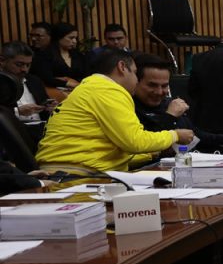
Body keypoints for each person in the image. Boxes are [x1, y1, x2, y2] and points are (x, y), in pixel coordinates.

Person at [34, 49, 191, 172]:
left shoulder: (91, 87)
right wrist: (175, 135)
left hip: (69, 173)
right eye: (135, 73)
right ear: (122, 67)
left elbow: (113, 153)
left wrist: (153, 153)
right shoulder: (108, 90)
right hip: (77, 177)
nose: (136, 80)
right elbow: (134, 142)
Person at [133, 55, 223, 153]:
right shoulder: (128, 108)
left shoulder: (168, 103)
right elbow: (146, 143)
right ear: (135, 82)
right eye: (152, 85)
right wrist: (170, 117)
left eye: (164, 86)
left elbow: (195, 135)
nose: (159, 92)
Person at [2, 41, 51, 138]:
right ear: (2, 61)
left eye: (28, 65)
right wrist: (18, 111)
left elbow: (44, 106)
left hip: (42, 129)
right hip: (12, 134)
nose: (24, 69)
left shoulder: (34, 80)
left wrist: (50, 107)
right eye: (19, 64)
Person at [32, 22, 86, 91]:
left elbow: (86, 74)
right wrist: (67, 83)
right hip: (56, 93)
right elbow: (45, 78)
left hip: (79, 90)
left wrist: (75, 82)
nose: (75, 41)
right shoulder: (45, 55)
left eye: (75, 38)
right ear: (59, 37)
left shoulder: (79, 55)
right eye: (71, 38)